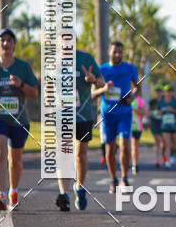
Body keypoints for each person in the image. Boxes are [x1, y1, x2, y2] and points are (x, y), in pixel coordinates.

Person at [0, 28, 39, 211]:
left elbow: (34, 92)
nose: (6, 43)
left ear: (14, 45)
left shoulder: (23, 67)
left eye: (10, 40)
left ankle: (14, 191)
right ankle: (1, 195)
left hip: (19, 119)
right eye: (2, 40)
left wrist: (21, 85)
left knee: (16, 160)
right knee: (0, 153)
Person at [56, 46, 104, 212]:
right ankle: (64, 194)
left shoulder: (85, 58)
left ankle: (80, 187)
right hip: (62, 115)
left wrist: (93, 80)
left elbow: (102, 82)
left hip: (83, 114)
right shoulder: (54, 61)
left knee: (80, 153)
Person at [91, 41, 139, 193]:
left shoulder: (130, 68)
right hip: (107, 115)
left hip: (125, 112)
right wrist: (104, 89)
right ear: (109, 52)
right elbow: (93, 93)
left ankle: (124, 178)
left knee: (125, 145)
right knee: (110, 149)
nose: (118, 55)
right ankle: (113, 180)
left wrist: (132, 97)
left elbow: (137, 86)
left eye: (120, 52)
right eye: (115, 52)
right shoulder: (101, 69)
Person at [160, 85, 176, 168]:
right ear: (164, 93)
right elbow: (157, 112)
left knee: (174, 144)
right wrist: (160, 112)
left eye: (170, 91)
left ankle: (175, 155)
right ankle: (166, 162)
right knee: (167, 144)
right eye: (167, 91)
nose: (169, 93)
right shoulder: (161, 102)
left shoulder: (175, 102)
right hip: (165, 126)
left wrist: (173, 110)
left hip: (174, 126)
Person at [130, 84, 147, 174]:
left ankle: (135, 164)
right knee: (125, 145)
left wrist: (135, 110)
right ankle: (126, 163)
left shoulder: (139, 100)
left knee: (135, 146)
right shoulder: (126, 98)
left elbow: (144, 112)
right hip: (127, 125)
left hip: (137, 126)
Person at [149, 87, 165, 167]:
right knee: (157, 141)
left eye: (160, 91)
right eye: (157, 91)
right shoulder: (152, 101)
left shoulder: (165, 101)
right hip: (154, 122)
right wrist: (152, 113)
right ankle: (157, 160)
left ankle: (164, 158)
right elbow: (148, 111)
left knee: (164, 142)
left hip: (163, 122)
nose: (159, 93)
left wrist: (162, 112)